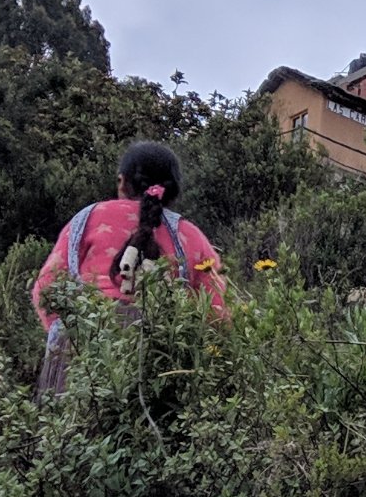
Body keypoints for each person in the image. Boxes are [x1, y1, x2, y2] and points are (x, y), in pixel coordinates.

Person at [31, 141, 226, 394]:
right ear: (173, 190)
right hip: (156, 359)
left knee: (60, 418)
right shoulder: (189, 235)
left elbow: (46, 287)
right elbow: (216, 312)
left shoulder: (87, 219)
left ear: (122, 181)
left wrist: (63, 332)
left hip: (78, 346)